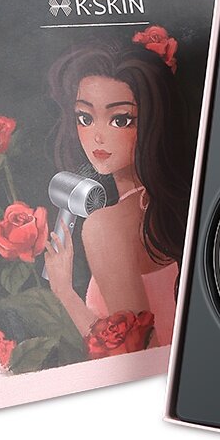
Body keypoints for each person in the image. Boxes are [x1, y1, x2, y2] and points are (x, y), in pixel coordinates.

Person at [43, 28, 190, 350]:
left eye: (120, 120)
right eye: (85, 117)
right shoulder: (164, 206)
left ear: (154, 121)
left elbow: (138, 352)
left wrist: (65, 293)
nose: (97, 137)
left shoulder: (106, 226)